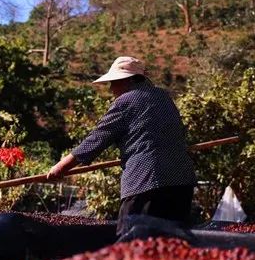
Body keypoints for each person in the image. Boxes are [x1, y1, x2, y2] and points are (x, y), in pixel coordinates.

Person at [46, 56, 196, 233]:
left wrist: (62, 166)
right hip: (182, 183)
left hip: (146, 182)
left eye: (114, 82)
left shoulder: (126, 101)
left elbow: (97, 139)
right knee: (171, 245)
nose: (111, 89)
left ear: (129, 80)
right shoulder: (163, 96)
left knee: (132, 244)